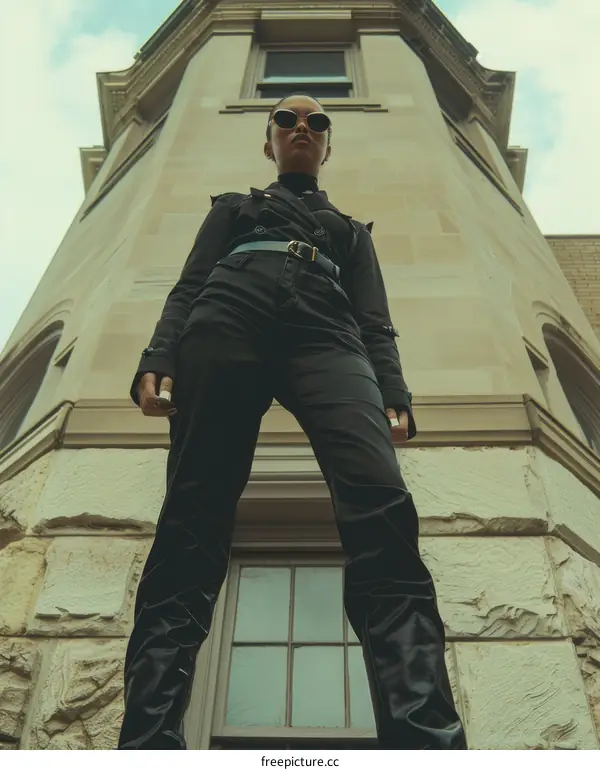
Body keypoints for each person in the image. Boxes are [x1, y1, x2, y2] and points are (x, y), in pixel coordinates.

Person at [117, 93, 467, 750]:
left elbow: (375, 322)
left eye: (317, 122)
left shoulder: (354, 233)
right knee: (193, 511)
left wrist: (393, 388)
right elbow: (188, 286)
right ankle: (148, 742)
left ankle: (424, 739)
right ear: (269, 141)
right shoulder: (232, 209)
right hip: (228, 314)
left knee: (382, 502)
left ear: (328, 145)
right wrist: (159, 353)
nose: (302, 126)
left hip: (329, 335)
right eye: (287, 119)